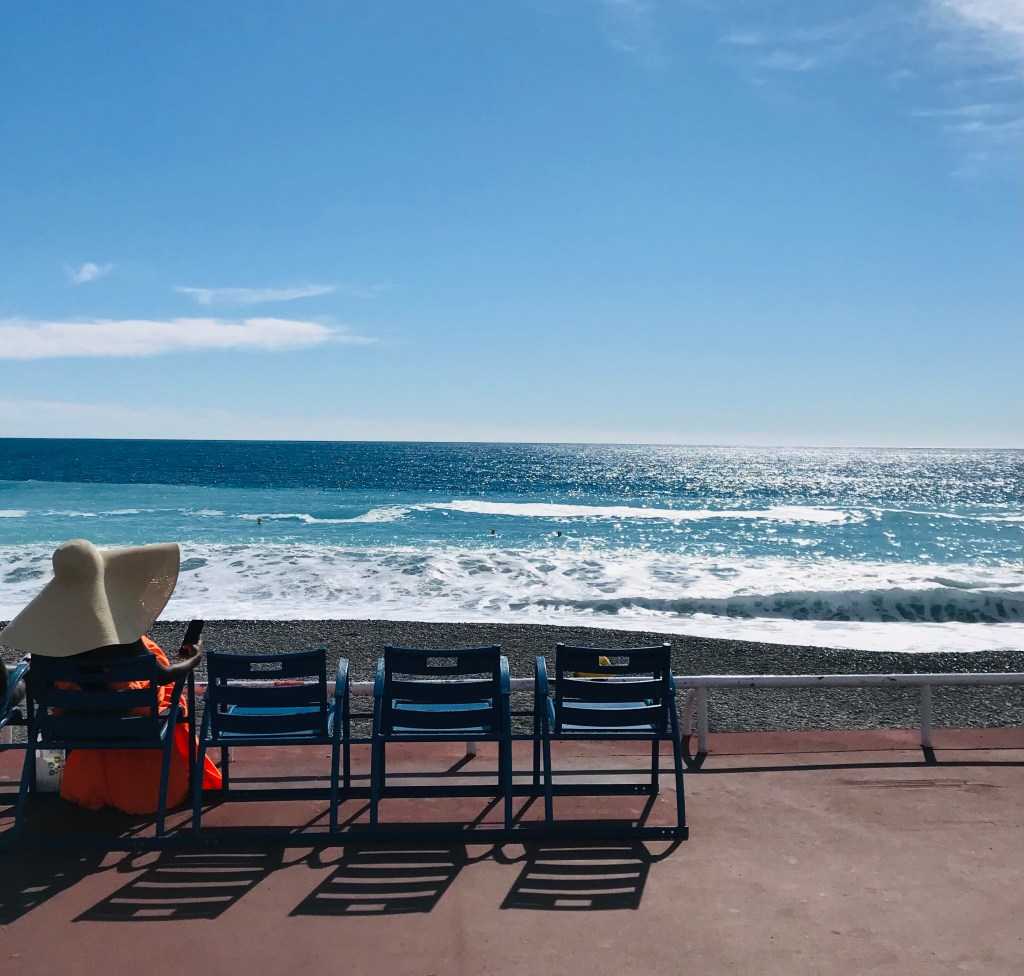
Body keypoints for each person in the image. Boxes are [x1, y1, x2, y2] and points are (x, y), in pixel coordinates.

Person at [0, 538, 222, 814]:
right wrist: (194, 658)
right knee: (166, 697)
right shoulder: (120, 635)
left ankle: (89, 782)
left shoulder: (46, 637)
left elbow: (37, 690)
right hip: (131, 725)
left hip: (72, 728)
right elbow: (164, 676)